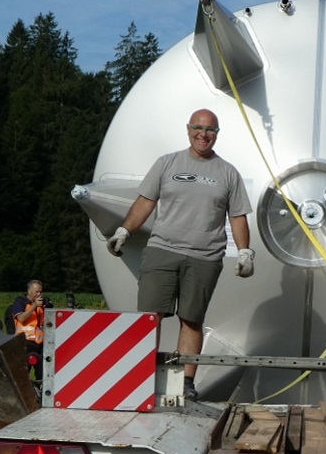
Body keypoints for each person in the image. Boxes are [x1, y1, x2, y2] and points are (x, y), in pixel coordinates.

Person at [106, 108, 254, 400]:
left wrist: (245, 251)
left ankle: (186, 383)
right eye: (198, 128)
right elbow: (145, 201)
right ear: (188, 130)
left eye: (210, 130)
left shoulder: (227, 172)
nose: (204, 134)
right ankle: (141, 375)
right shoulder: (167, 163)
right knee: (150, 316)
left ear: (217, 134)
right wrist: (125, 230)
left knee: (191, 319)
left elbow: (237, 216)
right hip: (163, 250)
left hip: (205, 257)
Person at [11, 280, 47, 381]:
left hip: (39, 344)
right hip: (24, 343)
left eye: (40, 292)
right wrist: (34, 305)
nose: (39, 294)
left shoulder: (41, 306)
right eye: (36, 292)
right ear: (29, 290)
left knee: (42, 374)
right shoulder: (20, 302)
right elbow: (21, 318)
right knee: (22, 375)